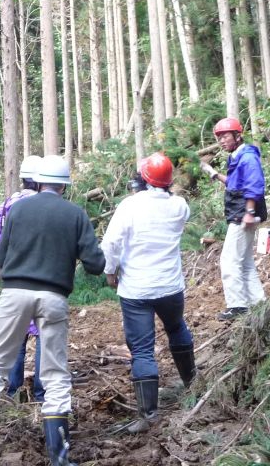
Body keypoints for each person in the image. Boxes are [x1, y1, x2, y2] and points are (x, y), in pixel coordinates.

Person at [0, 154, 105, 466]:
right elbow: (96, 265)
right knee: (55, 374)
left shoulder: (19, 207)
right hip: (53, 297)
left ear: (38, 181)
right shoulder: (75, 214)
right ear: (65, 185)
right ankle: (59, 458)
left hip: (14, 294)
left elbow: (0, 257)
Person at [101, 153, 196, 434]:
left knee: (142, 349)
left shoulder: (130, 206)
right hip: (169, 286)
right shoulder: (180, 206)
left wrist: (110, 271)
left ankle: (148, 414)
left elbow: (111, 242)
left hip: (137, 288)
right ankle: (192, 384)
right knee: (177, 327)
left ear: (143, 178)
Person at [0, 154, 44, 402]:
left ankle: (13, 390)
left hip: (14, 275)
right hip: (43, 273)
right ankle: (42, 391)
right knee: (44, 333)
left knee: (17, 334)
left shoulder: (8, 203)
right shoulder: (46, 204)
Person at [206, 117, 267, 320]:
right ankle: (259, 303)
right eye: (219, 138)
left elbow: (254, 184)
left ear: (238, 136)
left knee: (230, 260)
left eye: (225, 136)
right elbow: (235, 183)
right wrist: (214, 175)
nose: (222, 141)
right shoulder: (238, 157)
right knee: (245, 261)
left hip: (243, 215)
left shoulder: (247, 157)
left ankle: (238, 306)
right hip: (241, 214)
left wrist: (249, 212)